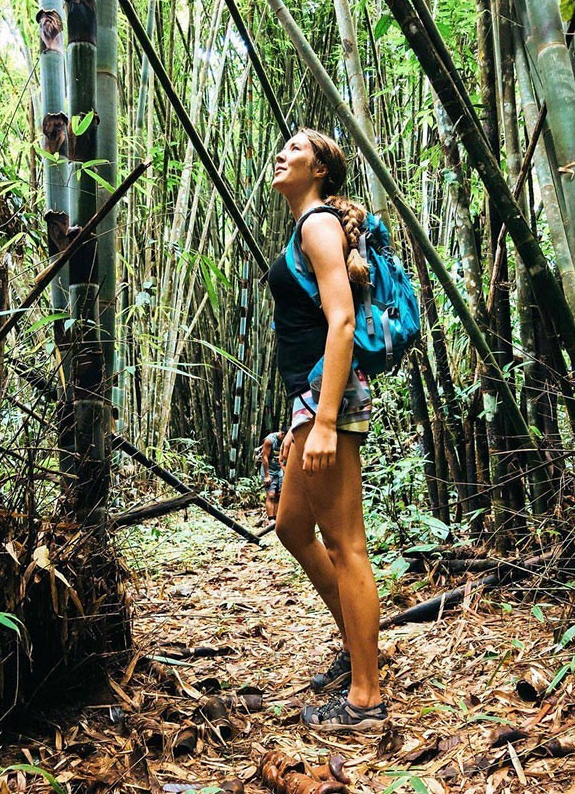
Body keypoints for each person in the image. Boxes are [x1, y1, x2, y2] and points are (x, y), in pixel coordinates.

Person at [268, 128, 387, 732]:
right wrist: (301, 419)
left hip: (329, 403)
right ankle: (356, 643)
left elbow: (342, 326)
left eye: (295, 148)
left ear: (318, 169)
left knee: (346, 545)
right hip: (311, 400)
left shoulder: (318, 225)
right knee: (292, 525)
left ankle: (366, 695)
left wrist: (324, 422)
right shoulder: (308, 227)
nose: (282, 154)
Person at [260, 428, 285, 532]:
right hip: (269, 470)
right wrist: (266, 475)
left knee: (279, 495)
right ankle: (271, 520)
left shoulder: (286, 441)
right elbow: (264, 457)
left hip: (279, 470)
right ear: (282, 434)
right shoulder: (270, 440)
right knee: (270, 495)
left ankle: (277, 519)